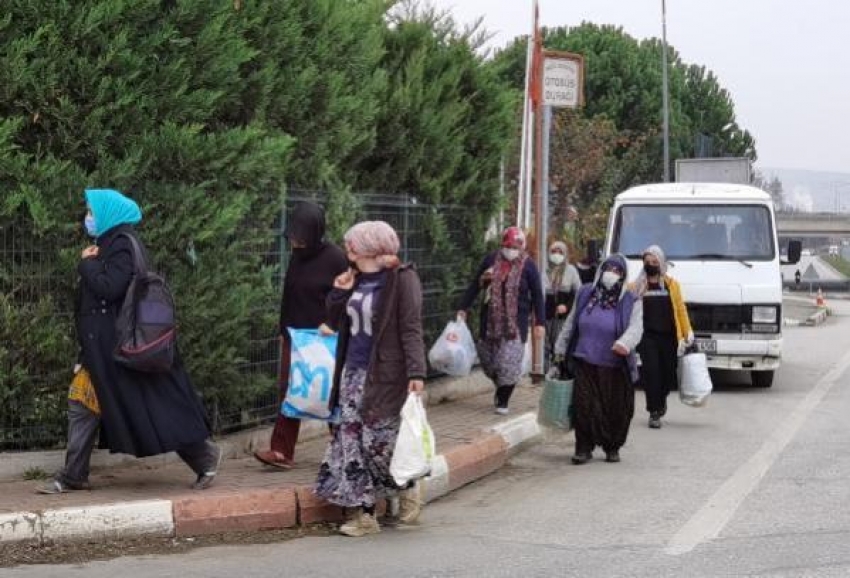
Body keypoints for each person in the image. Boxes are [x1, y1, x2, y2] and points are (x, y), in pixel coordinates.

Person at [38, 189, 220, 494]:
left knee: (155, 407)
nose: (88, 218)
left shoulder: (122, 244)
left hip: (120, 348)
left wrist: (86, 264)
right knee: (82, 404)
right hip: (101, 350)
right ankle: (73, 475)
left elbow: (110, 288)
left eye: (92, 212)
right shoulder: (108, 245)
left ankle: (204, 456)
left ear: (109, 214)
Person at [315, 220, 427, 537]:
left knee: (379, 444)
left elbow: (411, 328)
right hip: (352, 373)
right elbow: (334, 322)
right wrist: (339, 293)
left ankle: (407, 484)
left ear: (372, 248)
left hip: (385, 376)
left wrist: (417, 372)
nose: (347, 248)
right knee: (350, 441)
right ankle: (364, 515)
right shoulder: (356, 279)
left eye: (353, 244)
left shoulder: (402, 280)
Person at [253, 202, 348, 470]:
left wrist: (332, 324)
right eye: (293, 234)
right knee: (289, 390)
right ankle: (281, 451)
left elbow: (344, 296)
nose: (295, 240)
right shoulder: (297, 256)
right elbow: (289, 295)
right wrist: (283, 331)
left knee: (329, 392)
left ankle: (343, 449)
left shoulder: (335, 258)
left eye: (301, 235)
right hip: (295, 337)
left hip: (324, 338)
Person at [553, 253, 643, 464]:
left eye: (617, 271)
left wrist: (625, 343)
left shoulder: (630, 300)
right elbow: (571, 322)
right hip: (584, 359)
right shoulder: (586, 294)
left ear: (622, 276)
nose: (611, 274)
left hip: (614, 365)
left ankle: (612, 446)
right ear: (600, 271)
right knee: (584, 407)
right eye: (608, 269)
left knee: (614, 409)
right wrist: (560, 348)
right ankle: (583, 448)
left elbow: (637, 327)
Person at [457, 226, 545, 415]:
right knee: (489, 363)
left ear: (521, 247)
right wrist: (463, 307)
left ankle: (503, 399)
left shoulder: (528, 266)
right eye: (507, 246)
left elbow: (537, 295)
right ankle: (501, 386)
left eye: (515, 246)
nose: (510, 250)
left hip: (514, 325)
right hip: (490, 322)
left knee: (508, 363)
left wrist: (540, 323)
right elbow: (475, 284)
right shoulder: (491, 260)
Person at [631, 245, 693, 429]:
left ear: (661, 262)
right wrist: (636, 296)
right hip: (647, 337)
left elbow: (680, 309)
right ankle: (654, 411)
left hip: (669, 337)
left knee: (667, 375)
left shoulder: (672, 285)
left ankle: (662, 399)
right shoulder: (636, 286)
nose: (651, 265)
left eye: (654, 262)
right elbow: (627, 308)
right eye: (647, 262)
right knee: (651, 374)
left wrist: (687, 331)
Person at [543, 241, 582, 367]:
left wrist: (567, 306)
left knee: (560, 344)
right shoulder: (544, 271)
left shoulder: (571, 271)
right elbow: (539, 293)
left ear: (565, 254)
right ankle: (545, 373)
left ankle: (559, 371)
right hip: (547, 315)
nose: (556, 255)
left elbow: (578, 293)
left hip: (564, 317)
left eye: (560, 252)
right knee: (545, 346)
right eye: (554, 252)